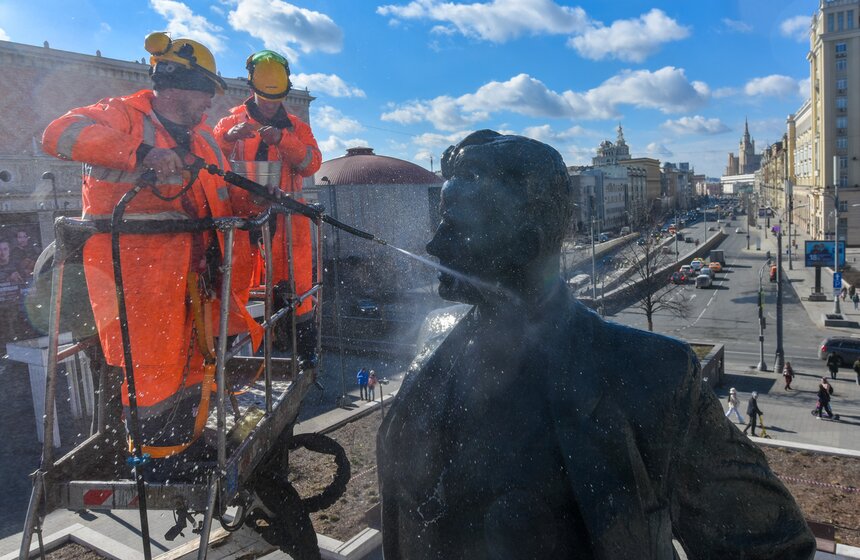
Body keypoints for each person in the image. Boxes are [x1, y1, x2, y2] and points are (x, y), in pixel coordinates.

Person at [377, 130, 814, 559]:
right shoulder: (436, 333)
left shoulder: (652, 378)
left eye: (455, 226)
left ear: (526, 239)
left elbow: (775, 547)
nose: (434, 245)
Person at [42, 32, 264, 478]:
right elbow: (58, 133)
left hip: (193, 277)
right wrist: (142, 153)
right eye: (208, 93)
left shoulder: (203, 141)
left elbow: (219, 195)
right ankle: (158, 464)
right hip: (138, 281)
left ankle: (188, 443)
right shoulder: (123, 116)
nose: (209, 106)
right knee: (151, 373)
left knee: (191, 365)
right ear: (182, 85)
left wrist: (256, 201)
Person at [213, 50, 321, 363]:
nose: (271, 105)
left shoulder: (297, 127)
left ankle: (303, 354)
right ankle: (227, 357)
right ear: (253, 90)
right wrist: (228, 137)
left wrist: (282, 140)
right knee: (235, 283)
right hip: (243, 217)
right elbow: (212, 158)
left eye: (276, 100)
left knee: (297, 288)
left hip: (288, 221)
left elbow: (311, 164)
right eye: (265, 99)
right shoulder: (231, 121)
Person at [0, 239, 23, 346]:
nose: (2, 252)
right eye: (0, 250)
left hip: (16, 305)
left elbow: (26, 283)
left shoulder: (17, 265)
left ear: (9, 250)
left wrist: (18, 277)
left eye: (5, 249)